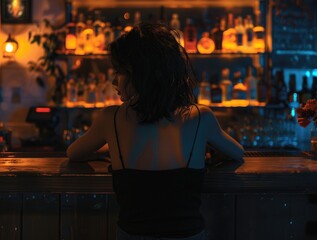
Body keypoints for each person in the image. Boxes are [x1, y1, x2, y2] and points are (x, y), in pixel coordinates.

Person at [67, 22, 244, 240]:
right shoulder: (200, 117)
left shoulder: (110, 119)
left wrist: (107, 148)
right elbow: (237, 153)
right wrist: (206, 149)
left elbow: (74, 153)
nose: (114, 81)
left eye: (120, 72)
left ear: (143, 74)